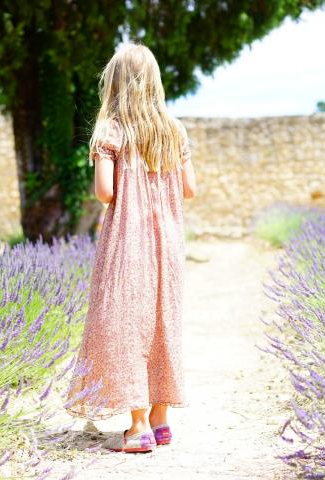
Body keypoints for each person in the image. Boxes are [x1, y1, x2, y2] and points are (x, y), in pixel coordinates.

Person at [65, 43, 198, 453]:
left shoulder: (111, 130)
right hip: (168, 241)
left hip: (127, 239)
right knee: (162, 320)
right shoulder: (174, 130)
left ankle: (138, 426)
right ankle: (161, 421)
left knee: (125, 323)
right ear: (154, 81)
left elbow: (105, 193)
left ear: (115, 82)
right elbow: (190, 189)